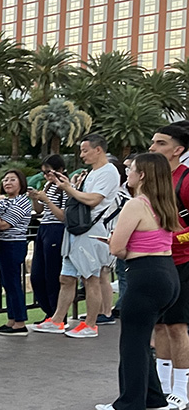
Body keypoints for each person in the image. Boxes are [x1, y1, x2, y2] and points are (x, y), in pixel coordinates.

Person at [96, 153, 187, 410]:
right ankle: (153, 397)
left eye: (131, 169)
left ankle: (130, 405)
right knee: (142, 337)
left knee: (133, 342)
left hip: (145, 275)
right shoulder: (164, 203)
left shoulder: (136, 204)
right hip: (167, 273)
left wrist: (116, 243)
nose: (128, 173)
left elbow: (117, 248)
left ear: (143, 174)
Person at [31, 134, 119, 338]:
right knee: (66, 277)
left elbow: (94, 200)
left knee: (91, 278)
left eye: (85, 150)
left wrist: (68, 188)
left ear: (98, 150)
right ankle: (57, 320)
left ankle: (90, 324)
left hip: (90, 231)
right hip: (76, 230)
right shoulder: (92, 173)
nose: (82, 155)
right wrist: (70, 186)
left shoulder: (108, 172)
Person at [148, 123, 189, 406]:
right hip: (157, 262)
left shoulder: (185, 180)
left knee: (177, 326)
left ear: (178, 150)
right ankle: (162, 386)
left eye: (160, 143)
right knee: (160, 326)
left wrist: (172, 239)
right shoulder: (153, 181)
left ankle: (182, 390)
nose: (152, 148)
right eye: (153, 142)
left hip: (182, 262)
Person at [27, 154, 67, 325]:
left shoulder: (65, 187)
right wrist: (35, 198)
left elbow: (62, 216)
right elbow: (39, 211)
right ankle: (49, 311)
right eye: (43, 173)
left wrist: (47, 200)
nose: (46, 176)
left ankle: (57, 314)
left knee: (52, 274)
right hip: (43, 227)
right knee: (37, 275)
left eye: (49, 172)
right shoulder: (48, 185)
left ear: (60, 170)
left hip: (56, 229)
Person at [0, 169, 32, 335]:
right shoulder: (5, 201)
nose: (7, 182)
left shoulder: (22, 202)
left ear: (21, 183)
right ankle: (12, 319)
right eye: (5, 179)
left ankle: (20, 322)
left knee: (13, 283)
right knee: (7, 283)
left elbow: (3, 224)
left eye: (12, 179)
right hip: (2, 244)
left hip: (13, 244)